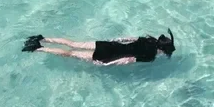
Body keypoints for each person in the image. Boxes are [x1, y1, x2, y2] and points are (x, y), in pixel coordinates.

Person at [22, 30, 175, 66]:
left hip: (107, 45)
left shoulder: (149, 40)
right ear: (162, 50)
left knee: (74, 44)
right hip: (107, 57)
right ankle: (38, 48)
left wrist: (114, 40)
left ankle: (41, 38)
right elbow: (128, 59)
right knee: (70, 54)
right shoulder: (150, 57)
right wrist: (107, 64)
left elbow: (128, 39)